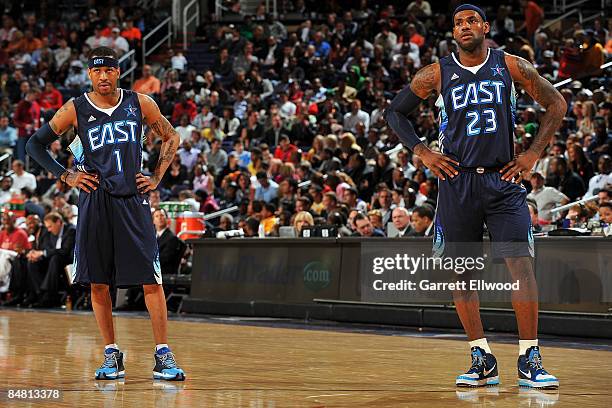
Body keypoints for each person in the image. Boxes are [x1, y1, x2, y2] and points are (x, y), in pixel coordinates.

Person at [385, 4, 565, 389]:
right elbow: (395, 113)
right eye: (458, 23)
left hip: (503, 180)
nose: (464, 27)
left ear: (485, 27)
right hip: (457, 181)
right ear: (454, 32)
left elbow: (556, 104)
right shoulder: (435, 73)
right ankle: (481, 356)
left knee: (520, 266)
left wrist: (533, 154)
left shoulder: (511, 65)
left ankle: (529, 356)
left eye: (471, 21)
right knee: (462, 272)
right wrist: (422, 151)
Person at [26, 47, 185, 381]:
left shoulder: (140, 103)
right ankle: (112, 354)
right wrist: (66, 175)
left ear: (117, 73)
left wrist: (155, 177)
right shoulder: (75, 108)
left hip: (133, 199)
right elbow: (34, 145)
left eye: (109, 70)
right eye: (97, 71)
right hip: (95, 200)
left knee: (150, 278)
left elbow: (171, 136)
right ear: (89, 74)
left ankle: (163, 354)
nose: (103, 76)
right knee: (98, 280)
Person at [153, 209, 186, 275]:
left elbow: (163, 259)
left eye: (162, 215)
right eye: (157, 216)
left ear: (167, 219)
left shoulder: (172, 238)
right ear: (153, 221)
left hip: (164, 275)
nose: (159, 218)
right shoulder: (151, 237)